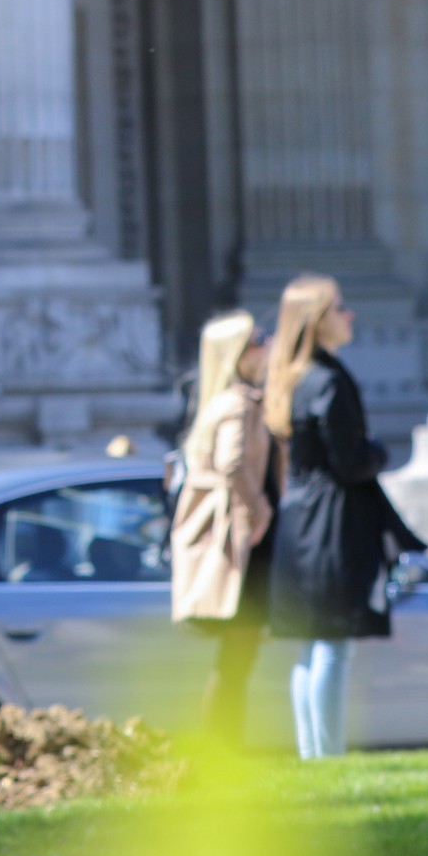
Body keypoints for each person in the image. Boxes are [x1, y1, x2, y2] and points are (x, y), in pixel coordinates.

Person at [261, 274, 425, 761]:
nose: (349, 315)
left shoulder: (290, 379)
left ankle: (315, 753)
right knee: (333, 642)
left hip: (300, 523)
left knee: (312, 647)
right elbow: (350, 461)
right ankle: (325, 757)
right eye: (340, 307)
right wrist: (379, 451)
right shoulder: (327, 381)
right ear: (316, 321)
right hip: (332, 524)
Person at [169, 311, 276, 746]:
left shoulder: (223, 401)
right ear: (238, 352)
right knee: (238, 654)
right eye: (258, 339)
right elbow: (232, 465)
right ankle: (223, 745)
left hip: (238, 540)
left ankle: (225, 745)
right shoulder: (237, 402)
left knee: (237, 656)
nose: (267, 345)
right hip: (239, 544)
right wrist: (261, 505)